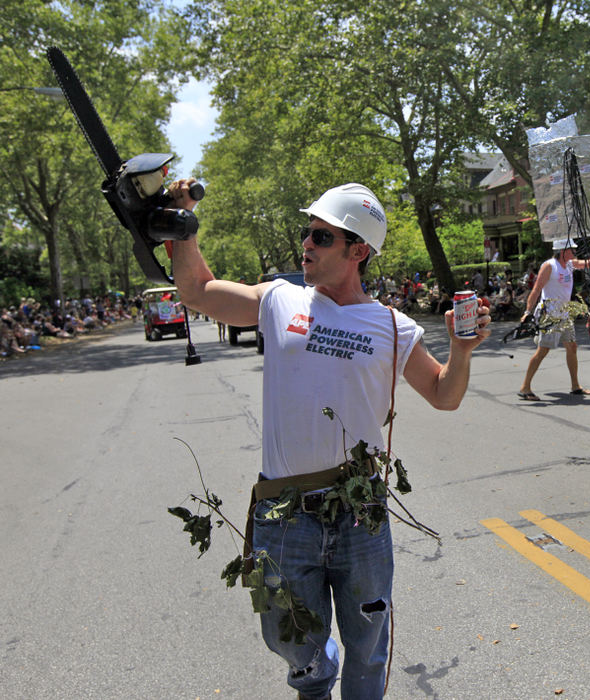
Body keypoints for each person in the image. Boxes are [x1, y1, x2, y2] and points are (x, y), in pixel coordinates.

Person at [168, 180, 490, 700]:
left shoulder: (393, 325)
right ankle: (317, 675)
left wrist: (461, 349)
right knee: (287, 636)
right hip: (284, 509)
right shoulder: (278, 299)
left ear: (357, 250)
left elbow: (443, 395)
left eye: (320, 236)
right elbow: (198, 292)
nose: (307, 245)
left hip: (360, 513)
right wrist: (182, 224)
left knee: (368, 640)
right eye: (307, 234)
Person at [517, 239, 590, 401]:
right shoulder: (550, 266)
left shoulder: (570, 265)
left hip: (564, 314)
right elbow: (537, 289)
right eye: (571, 249)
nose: (574, 252)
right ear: (562, 251)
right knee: (543, 350)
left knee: (572, 346)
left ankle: (575, 386)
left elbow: (585, 263)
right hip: (550, 315)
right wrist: (527, 311)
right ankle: (525, 388)